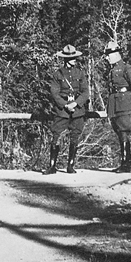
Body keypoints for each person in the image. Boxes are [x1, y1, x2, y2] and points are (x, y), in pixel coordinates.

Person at [43, 44, 90, 175]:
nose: (75, 59)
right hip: (62, 110)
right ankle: (52, 166)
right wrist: (65, 105)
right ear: (66, 59)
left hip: (77, 110)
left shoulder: (80, 73)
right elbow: (54, 93)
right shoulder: (58, 74)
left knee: (75, 136)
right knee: (56, 135)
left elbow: (85, 92)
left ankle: (70, 166)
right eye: (72, 58)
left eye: (75, 57)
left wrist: (75, 103)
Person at [103, 40, 131, 173]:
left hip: (125, 105)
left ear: (116, 54)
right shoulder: (112, 70)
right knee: (120, 133)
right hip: (115, 105)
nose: (107, 57)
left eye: (109, 54)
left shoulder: (126, 68)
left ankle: (127, 165)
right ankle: (125, 163)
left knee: (124, 133)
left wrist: (130, 99)